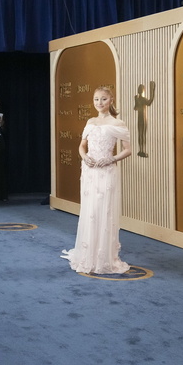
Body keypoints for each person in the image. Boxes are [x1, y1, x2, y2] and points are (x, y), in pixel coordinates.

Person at [61, 87, 132, 274]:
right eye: (96, 99)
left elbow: (128, 149)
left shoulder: (118, 123)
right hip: (90, 171)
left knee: (104, 210)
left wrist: (112, 159)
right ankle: (87, 254)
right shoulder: (90, 122)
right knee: (90, 210)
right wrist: (84, 157)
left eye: (103, 99)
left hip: (106, 170)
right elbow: (81, 146)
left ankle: (103, 257)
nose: (99, 103)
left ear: (111, 101)